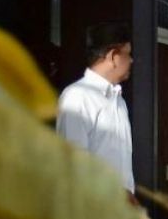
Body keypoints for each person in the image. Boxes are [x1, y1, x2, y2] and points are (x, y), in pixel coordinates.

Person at [56, 22, 135, 196]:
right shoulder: (77, 97)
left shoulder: (119, 101)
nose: (131, 60)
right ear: (113, 56)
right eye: (128, 54)